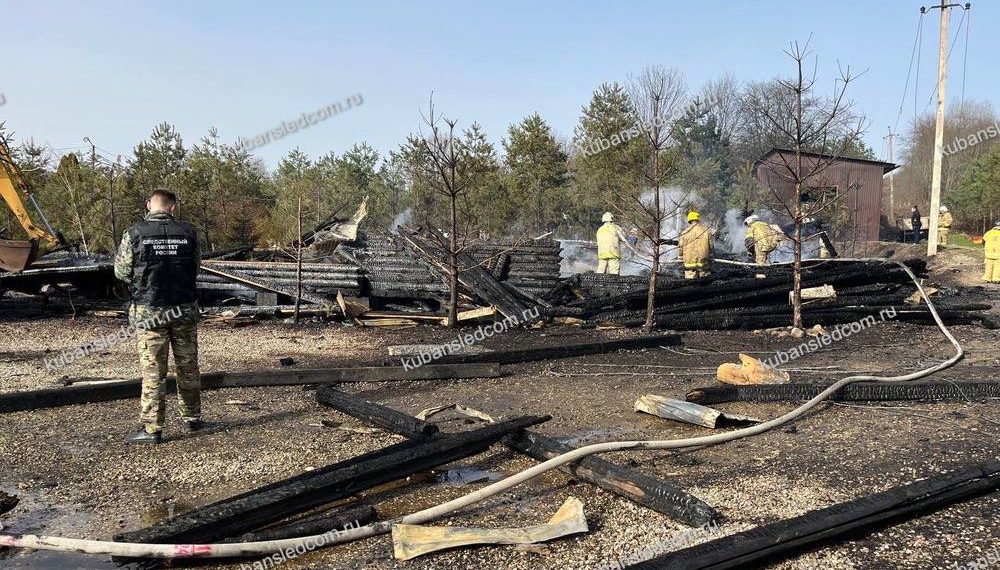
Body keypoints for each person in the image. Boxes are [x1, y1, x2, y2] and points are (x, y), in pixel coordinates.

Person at [114, 189, 203, 444]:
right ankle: (193, 417)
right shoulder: (189, 233)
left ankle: (153, 428)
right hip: (183, 309)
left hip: (149, 311)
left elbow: (121, 271)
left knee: (154, 371)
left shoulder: (134, 233)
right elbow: (195, 267)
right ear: (173, 207)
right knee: (188, 366)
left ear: (148, 205)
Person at [678, 211, 712, 279]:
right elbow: (711, 246)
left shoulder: (685, 232)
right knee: (705, 283)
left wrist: (680, 259)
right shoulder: (706, 231)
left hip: (689, 265)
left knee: (690, 285)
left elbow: (680, 248)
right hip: (703, 263)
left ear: (689, 220)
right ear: (698, 219)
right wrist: (710, 257)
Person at [984, 220, 1000, 284]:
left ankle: (987, 278)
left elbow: (983, 241)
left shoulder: (988, 232)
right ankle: (996, 279)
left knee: (988, 266)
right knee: (998, 266)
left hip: (988, 253)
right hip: (998, 254)